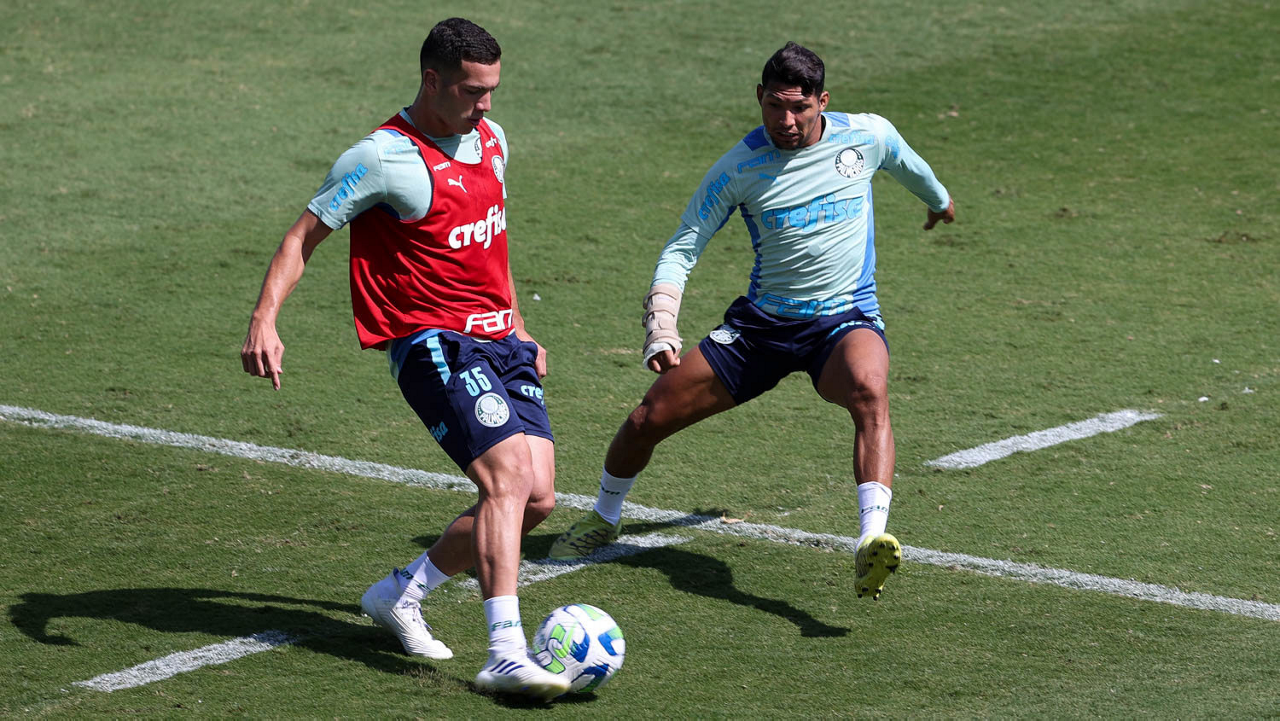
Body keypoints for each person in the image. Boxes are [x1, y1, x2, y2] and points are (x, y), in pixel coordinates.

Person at [548, 42, 955, 602]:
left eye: (799, 108)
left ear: (822, 102)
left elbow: (911, 165)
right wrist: (661, 325)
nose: (785, 121)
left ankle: (871, 539)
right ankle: (603, 515)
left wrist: (939, 200)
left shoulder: (867, 136)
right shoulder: (738, 168)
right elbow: (684, 246)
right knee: (648, 418)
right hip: (762, 328)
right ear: (759, 97)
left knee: (869, 390)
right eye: (774, 106)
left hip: (844, 319)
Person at [240, 18, 568, 700]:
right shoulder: (381, 157)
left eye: (492, 90)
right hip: (433, 341)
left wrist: (519, 326)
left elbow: (490, 244)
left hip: (501, 340)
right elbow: (302, 238)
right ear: (432, 80)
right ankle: (506, 652)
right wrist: (264, 319)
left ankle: (401, 593)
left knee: (537, 498)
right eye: (473, 91)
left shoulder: (492, 140)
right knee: (506, 478)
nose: (485, 105)